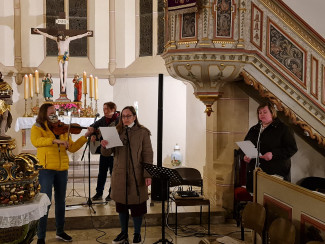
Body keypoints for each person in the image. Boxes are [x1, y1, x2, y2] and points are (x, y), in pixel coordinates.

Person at [31, 103, 92, 244]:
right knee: (44, 203)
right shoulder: (37, 127)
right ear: (44, 114)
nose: (54, 115)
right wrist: (54, 140)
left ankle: (60, 231)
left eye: (55, 112)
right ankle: (41, 237)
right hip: (46, 169)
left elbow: (72, 147)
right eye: (51, 112)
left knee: (61, 202)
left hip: (62, 169)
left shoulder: (63, 129)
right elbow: (36, 141)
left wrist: (86, 136)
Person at [100, 106, 153, 244]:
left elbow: (148, 154)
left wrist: (148, 175)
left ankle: (137, 234)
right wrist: (104, 146)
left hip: (137, 174)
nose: (125, 119)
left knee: (137, 207)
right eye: (123, 116)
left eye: (128, 116)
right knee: (121, 206)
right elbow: (107, 154)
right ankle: (123, 233)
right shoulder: (117, 131)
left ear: (134, 117)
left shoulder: (143, 132)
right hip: (120, 174)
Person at [242, 102, 298, 193]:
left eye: (265, 112)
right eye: (260, 113)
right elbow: (244, 146)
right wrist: (245, 155)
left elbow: (292, 148)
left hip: (274, 174)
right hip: (255, 174)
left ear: (272, 113)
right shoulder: (254, 129)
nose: (262, 115)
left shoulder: (283, 129)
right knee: (256, 202)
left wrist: (273, 154)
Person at [33, 28, 92, 93]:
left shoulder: (68, 39)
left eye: (60, 36)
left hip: (65, 56)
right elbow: (47, 35)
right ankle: (62, 84)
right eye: (58, 36)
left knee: (65, 70)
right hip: (60, 57)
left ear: (63, 35)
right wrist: (39, 31)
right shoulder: (57, 40)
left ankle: (64, 83)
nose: (59, 37)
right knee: (61, 70)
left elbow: (77, 37)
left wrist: (86, 34)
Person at [90, 102, 119, 202]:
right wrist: (93, 134)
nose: (104, 111)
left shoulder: (118, 119)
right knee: (101, 173)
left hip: (114, 151)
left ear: (113, 109)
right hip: (104, 150)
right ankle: (99, 193)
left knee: (113, 173)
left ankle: (112, 194)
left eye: (106, 109)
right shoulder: (103, 119)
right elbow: (92, 126)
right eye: (104, 109)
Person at [0, 74, 13, 139]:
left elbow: (10, 92)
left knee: (5, 117)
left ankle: (2, 133)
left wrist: (8, 98)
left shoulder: (5, 84)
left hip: (5, 103)